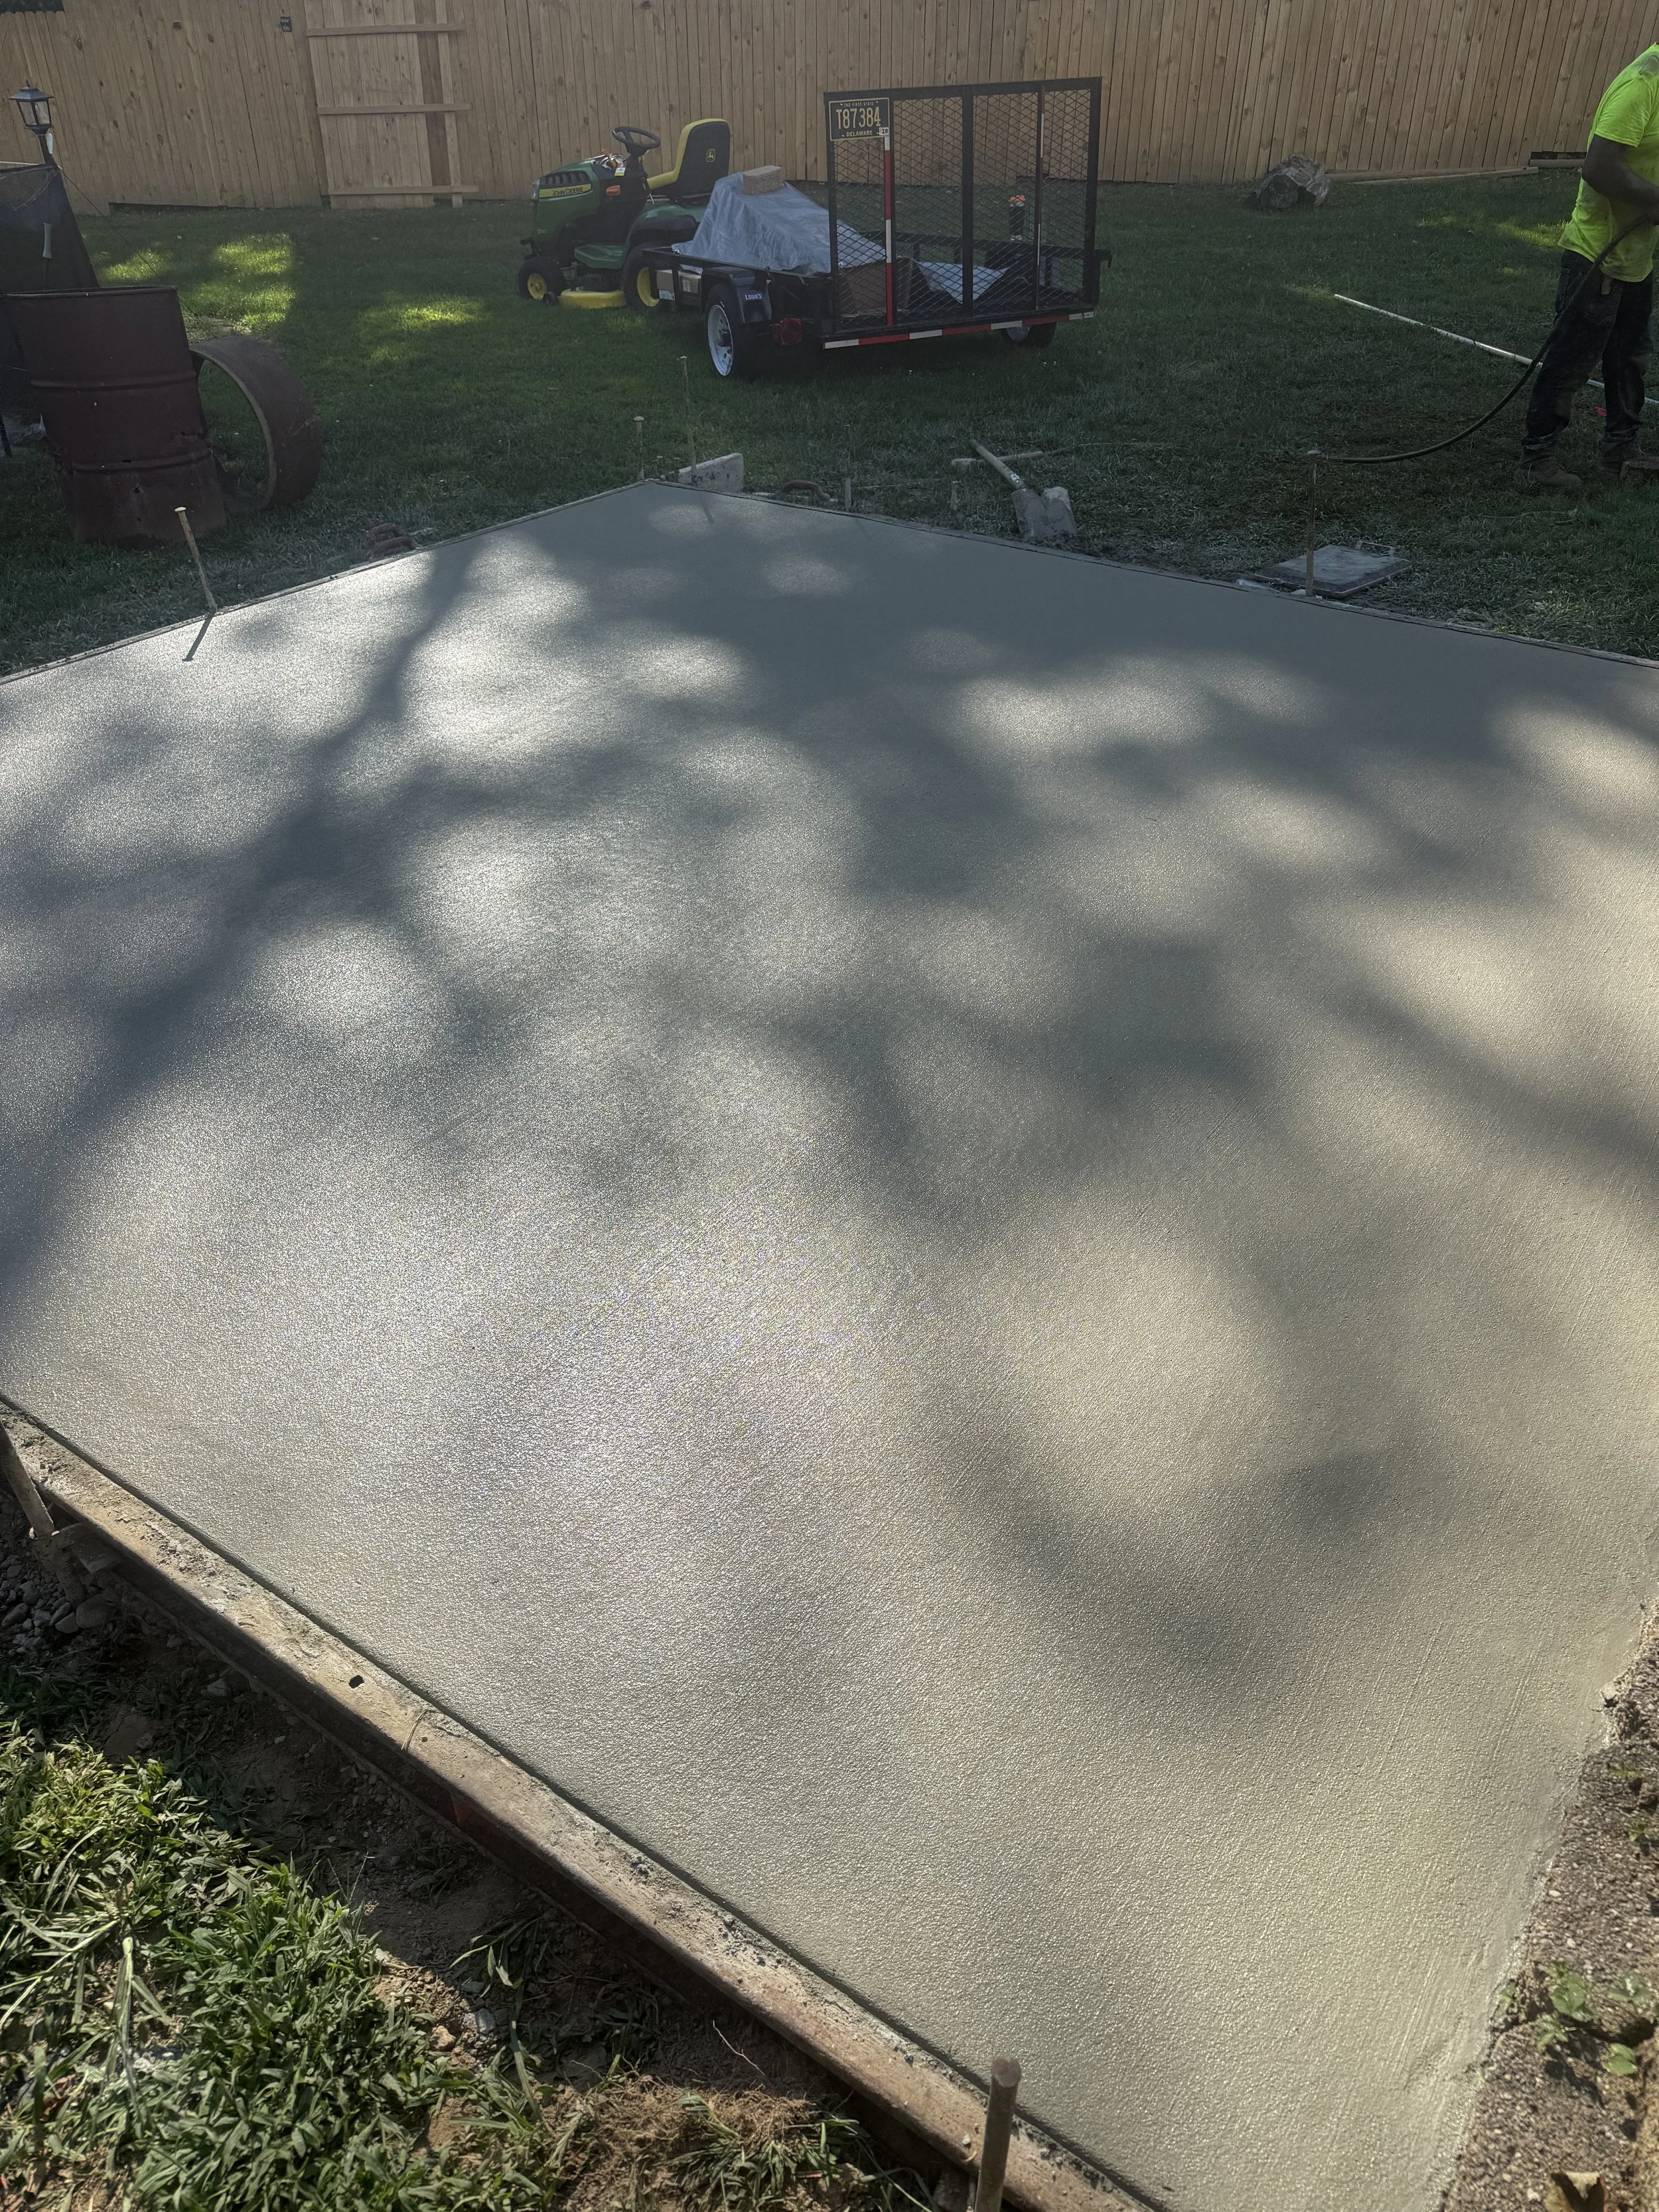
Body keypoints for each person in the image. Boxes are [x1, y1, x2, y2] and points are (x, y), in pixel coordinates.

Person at [1517, 46, 1659, 492]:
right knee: (1572, 361)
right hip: (1597, 253)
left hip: (1636, 256)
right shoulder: (1642, 86)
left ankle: (1622, 451)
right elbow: (1599, 167)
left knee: (1630, 358)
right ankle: (1536, 463)